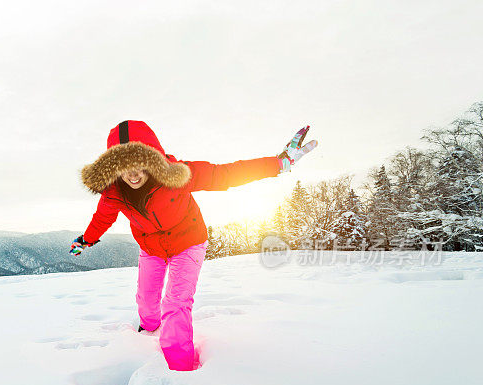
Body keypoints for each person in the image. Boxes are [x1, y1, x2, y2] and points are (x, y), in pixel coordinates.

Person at [70, 120, 317, 371]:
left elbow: (225, 173)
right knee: (146, 300)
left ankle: (181, 368)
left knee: (175, 305)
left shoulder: (178, 174)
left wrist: (278, 163)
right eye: (124, 167)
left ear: (152, 160)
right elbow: (102, 219)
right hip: (151, 248)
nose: (132, 174)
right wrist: (84, 241)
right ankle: (149, 330)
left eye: (139, 164)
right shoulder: (113, 193)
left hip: (188, 242)